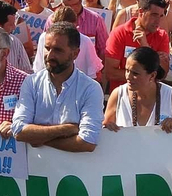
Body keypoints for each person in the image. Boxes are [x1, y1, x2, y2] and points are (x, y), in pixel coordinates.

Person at [5, 21, 102, 152]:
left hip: (76, 170)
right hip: (37, 170)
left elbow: (87, 142)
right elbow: (19, 131)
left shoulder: (90, 89)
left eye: (58, 50)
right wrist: (66, 129)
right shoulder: (32, 83)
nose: (50, 55)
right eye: (47, 48)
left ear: (75, 54)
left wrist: (38, 138)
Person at [104, 46, 172, 132]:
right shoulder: (118, 95)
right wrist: (107, 127)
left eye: (135, 73)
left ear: (152, 75)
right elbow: (105, 129)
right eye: (127, 70)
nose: (128, 76)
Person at [105, 0, 172, 90]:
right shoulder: (119, 33)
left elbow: (162, 74)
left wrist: (146, 47)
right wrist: (146, 75)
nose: (158, 21)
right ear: (141, 12)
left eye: (161, 16)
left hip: (149, 98)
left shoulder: (162, 36)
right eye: (154, 15)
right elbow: (110, 73)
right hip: (123, 95)